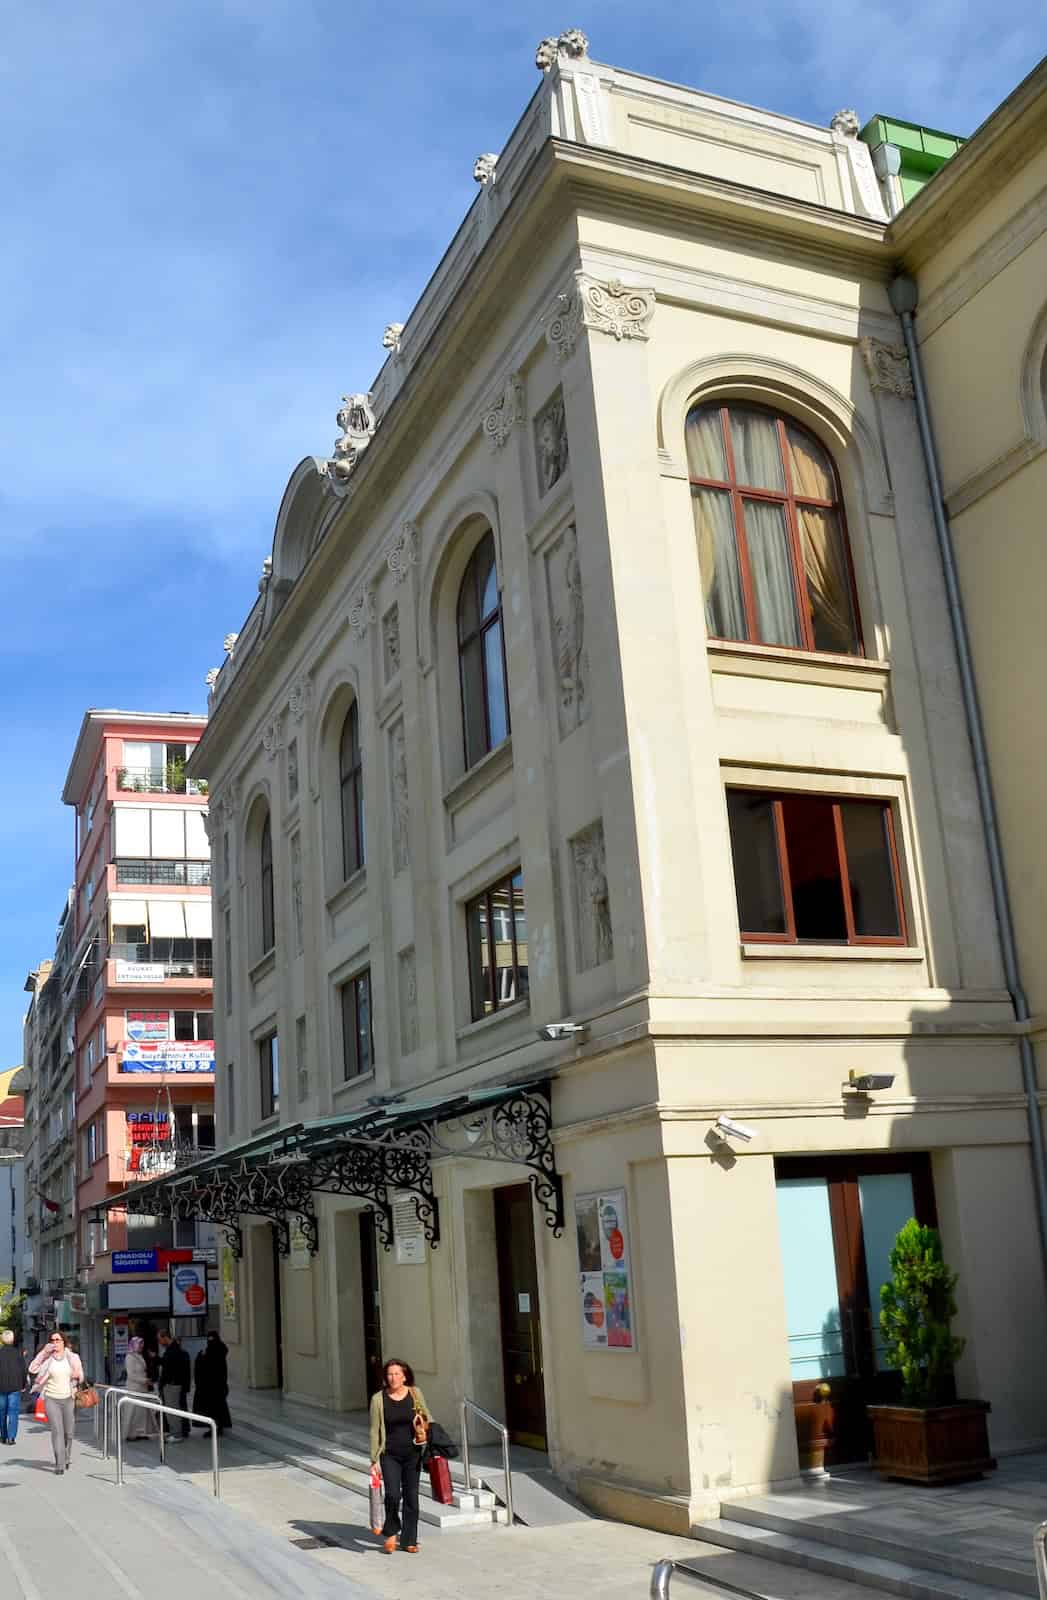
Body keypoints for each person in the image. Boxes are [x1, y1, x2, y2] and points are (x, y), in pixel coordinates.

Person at [369, 1358, 430, 1555]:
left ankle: (409, 1540)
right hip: (390, 1455)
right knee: (393, 1494)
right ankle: (392, 1532)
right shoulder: (378, 1399)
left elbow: (427, 1417)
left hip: (413, 1454)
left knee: (411, 1496)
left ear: (404, 1376)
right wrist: (373, 1459)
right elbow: (374, 1430)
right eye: (389, 1374)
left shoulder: (415, 1393)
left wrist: (427, 1430)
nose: (393, 1378)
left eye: (397, 1374)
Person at [28, 1332, 84, 1475]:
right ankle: (60, 1464)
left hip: (68, 1399)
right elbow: (32, 1369)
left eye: (57, 1340)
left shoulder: (73, 1358)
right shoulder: (48, 1359)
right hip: (51, 1399)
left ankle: (66, 1456)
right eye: (52, 1340)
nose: (55, 1342)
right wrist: (43, 1353)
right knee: (57, 1431)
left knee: (69, 1433)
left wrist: (77, 1376)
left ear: (63, 1342)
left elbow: (81, 1377)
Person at [192, 1331, 232, 1436]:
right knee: (218, 1407)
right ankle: (218, 1426)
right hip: (218, 1385)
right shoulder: (219, 1350)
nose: (210, 1342)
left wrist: (201, 1357)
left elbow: (207, 1367)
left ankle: (216, 1427)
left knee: (213, 1408)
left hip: (212, 1386)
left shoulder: (212, 1352)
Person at [123, 1337, 159, 1440]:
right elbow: (131, 1375)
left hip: (143, 1388)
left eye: (142, 1344)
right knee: (133, 1412)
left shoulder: (139, 1356)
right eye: (140, 1344)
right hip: (134, 1389)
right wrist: (145, 1380)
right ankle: (131, 1433)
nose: (142, 1346)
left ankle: (141, 1432)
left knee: (142, 1412)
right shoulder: (129, 1357)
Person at [157, 1330, 191, 1439]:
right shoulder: (173, 1350)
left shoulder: (174, 1350)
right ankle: (176, 1432)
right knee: (174, 1409)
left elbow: (170, 1368)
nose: (159, 1342)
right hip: (174, 1384)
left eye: (160, 1339)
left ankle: (176, 1434)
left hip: (172, 1385)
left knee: (173, 1411)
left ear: (165, 1337)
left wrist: (163, 1383)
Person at [0, 1331, 26, 1446]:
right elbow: (23, 1371)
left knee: (1, 1413)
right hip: (15, 1387)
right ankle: (11, 1438)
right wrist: (23, 1385)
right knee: (13, 1413)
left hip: (1, 1387)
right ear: (13, 1339)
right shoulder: (18, 1353)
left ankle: (3, 1436)